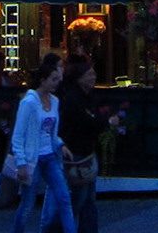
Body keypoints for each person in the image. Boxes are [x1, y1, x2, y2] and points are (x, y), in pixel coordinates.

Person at [10, 53, 76, 233]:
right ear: (43, 80)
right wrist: (21, 162)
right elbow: (18, 135)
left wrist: (60, 144)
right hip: (34, 158)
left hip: (50, 155)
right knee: (27, 204)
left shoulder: (54, 101)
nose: (57, 83)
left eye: (58, 79)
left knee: (63, 198)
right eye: (53, 79)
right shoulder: (29, 103)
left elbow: (50, 132)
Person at [44, 53, 108, 233]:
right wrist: (104, 122)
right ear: (79, 79)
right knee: (78, 198)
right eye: (89, 75)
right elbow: (89, 122)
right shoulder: (73, 99)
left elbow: (94, 120)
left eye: (94, 74)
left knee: (88, 199)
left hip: (87, 151)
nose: (93, 78)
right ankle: (58, 228)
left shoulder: (89, 97)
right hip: (76, 152)